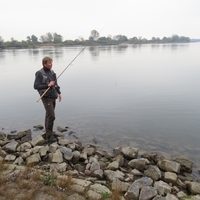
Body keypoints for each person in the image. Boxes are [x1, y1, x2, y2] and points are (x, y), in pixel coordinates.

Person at [34, 56, 62, 143]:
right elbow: (36, 86)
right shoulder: (39, 73)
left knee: (48, 115)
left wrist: (59, 93)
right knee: (52, 116)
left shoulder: (52, 73)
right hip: (46, 97)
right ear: (45, 64)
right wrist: (47, 85)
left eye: (51, 62)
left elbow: (56, 84)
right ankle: (49, 136)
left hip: (53, 96)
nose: (51, 64)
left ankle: (48, 132)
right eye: (49, 63)